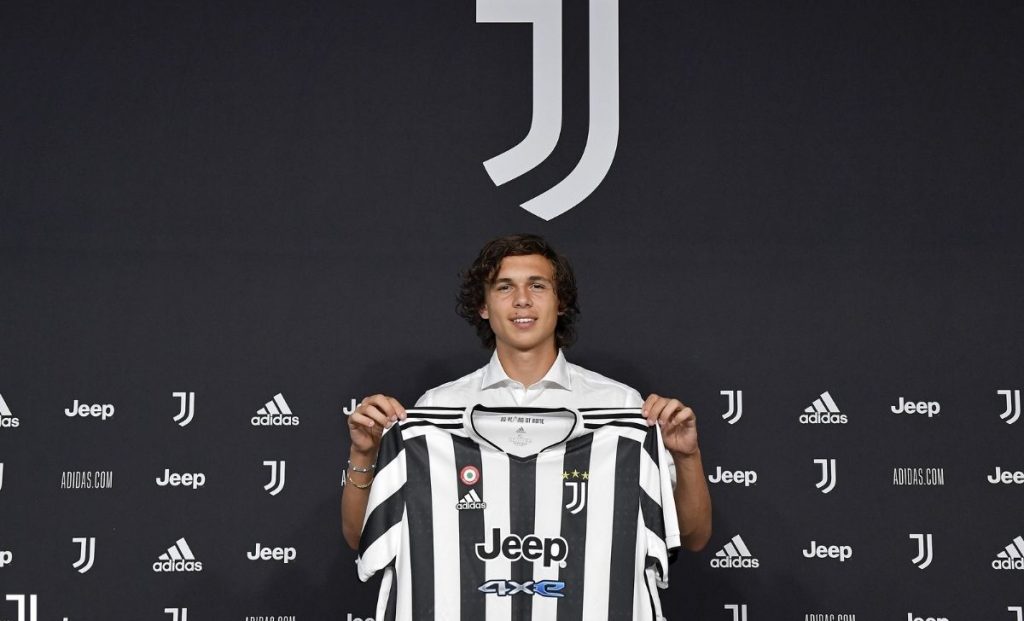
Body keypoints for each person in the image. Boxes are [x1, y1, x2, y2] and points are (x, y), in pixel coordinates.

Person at [342, 233, 711, 555]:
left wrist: (687, 457)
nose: (522, 300)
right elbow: (363, 538)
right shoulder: (438, 408)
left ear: (560, 302)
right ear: (483, 306)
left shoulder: (621, 407)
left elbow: (692, 537)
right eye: (504, 287)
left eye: (537, 286)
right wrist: (364, 453)